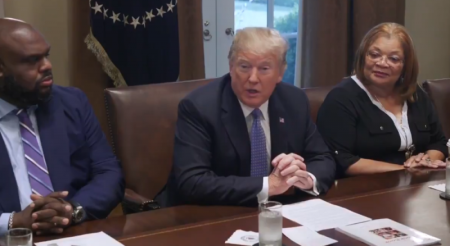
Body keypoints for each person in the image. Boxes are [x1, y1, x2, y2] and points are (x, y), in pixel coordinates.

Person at [155, 27, 336, 207]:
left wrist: (305, 179)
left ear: (280, 72)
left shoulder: (294, 101)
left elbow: (322, 158)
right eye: (244, 67)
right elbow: (192, 182)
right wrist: (268, 185)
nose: (253, 78)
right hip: (207, 215)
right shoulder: (199, 107)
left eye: (264, 68)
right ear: (231, 67)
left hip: (275, 212)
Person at [0, 18, 124, 236]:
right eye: (31, 60)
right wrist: (13, 221)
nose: (47, 66)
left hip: (71, 236)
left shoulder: (71, 102)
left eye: (46, 55)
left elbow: (108, 173)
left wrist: (72, 210)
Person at [316, 22, 447, 178]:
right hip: (364, 190)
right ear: (363, 56)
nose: (382, 63)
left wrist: (425, 161)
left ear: (405, 65)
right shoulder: (342, 98)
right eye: (374, 55)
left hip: (416, 187)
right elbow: (342, 160)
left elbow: (438, 142)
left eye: (393, 58)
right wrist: (404, 170)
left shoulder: (415, 93)